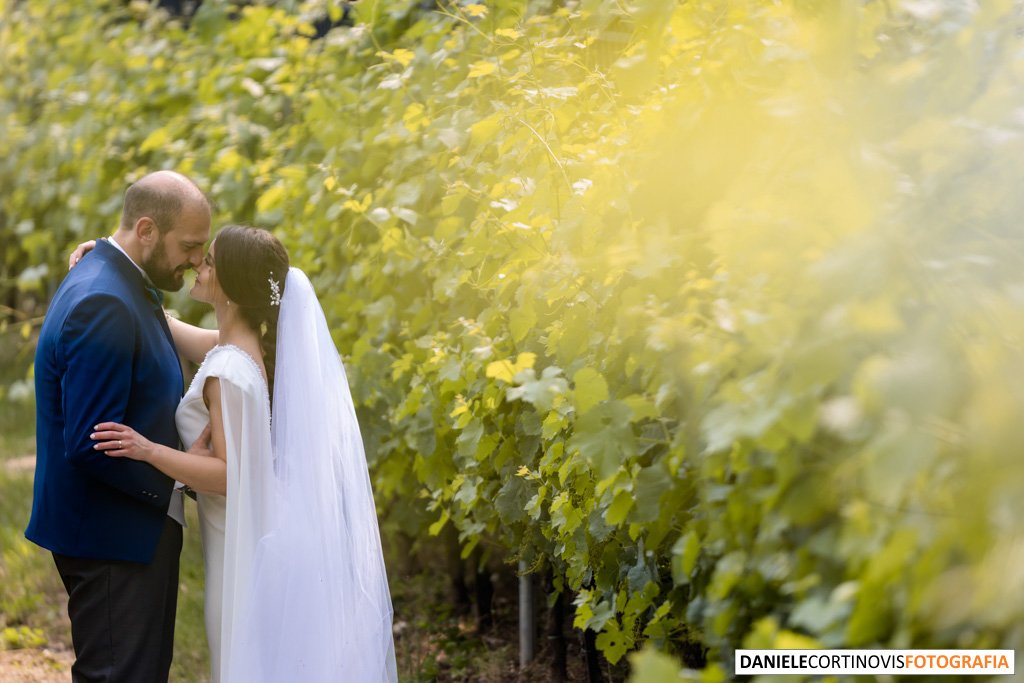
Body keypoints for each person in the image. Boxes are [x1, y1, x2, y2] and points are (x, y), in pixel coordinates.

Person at [78, 225, 397, 682]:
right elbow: (167, 325)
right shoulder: (239, 348)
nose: (197, 266)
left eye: (208, 262)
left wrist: (148, 450)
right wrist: (115, 261)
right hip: (255, 528)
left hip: (239, 545)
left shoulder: (227, 370)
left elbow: (230, 475)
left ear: (230, 284)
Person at [26, 170, 213, 682]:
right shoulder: (105, 299)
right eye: (190, 246)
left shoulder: (120, 279)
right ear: (147, 230)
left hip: (123, 529)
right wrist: (181, 474)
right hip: (112, 535)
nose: (198, 260)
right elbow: (93, 442)